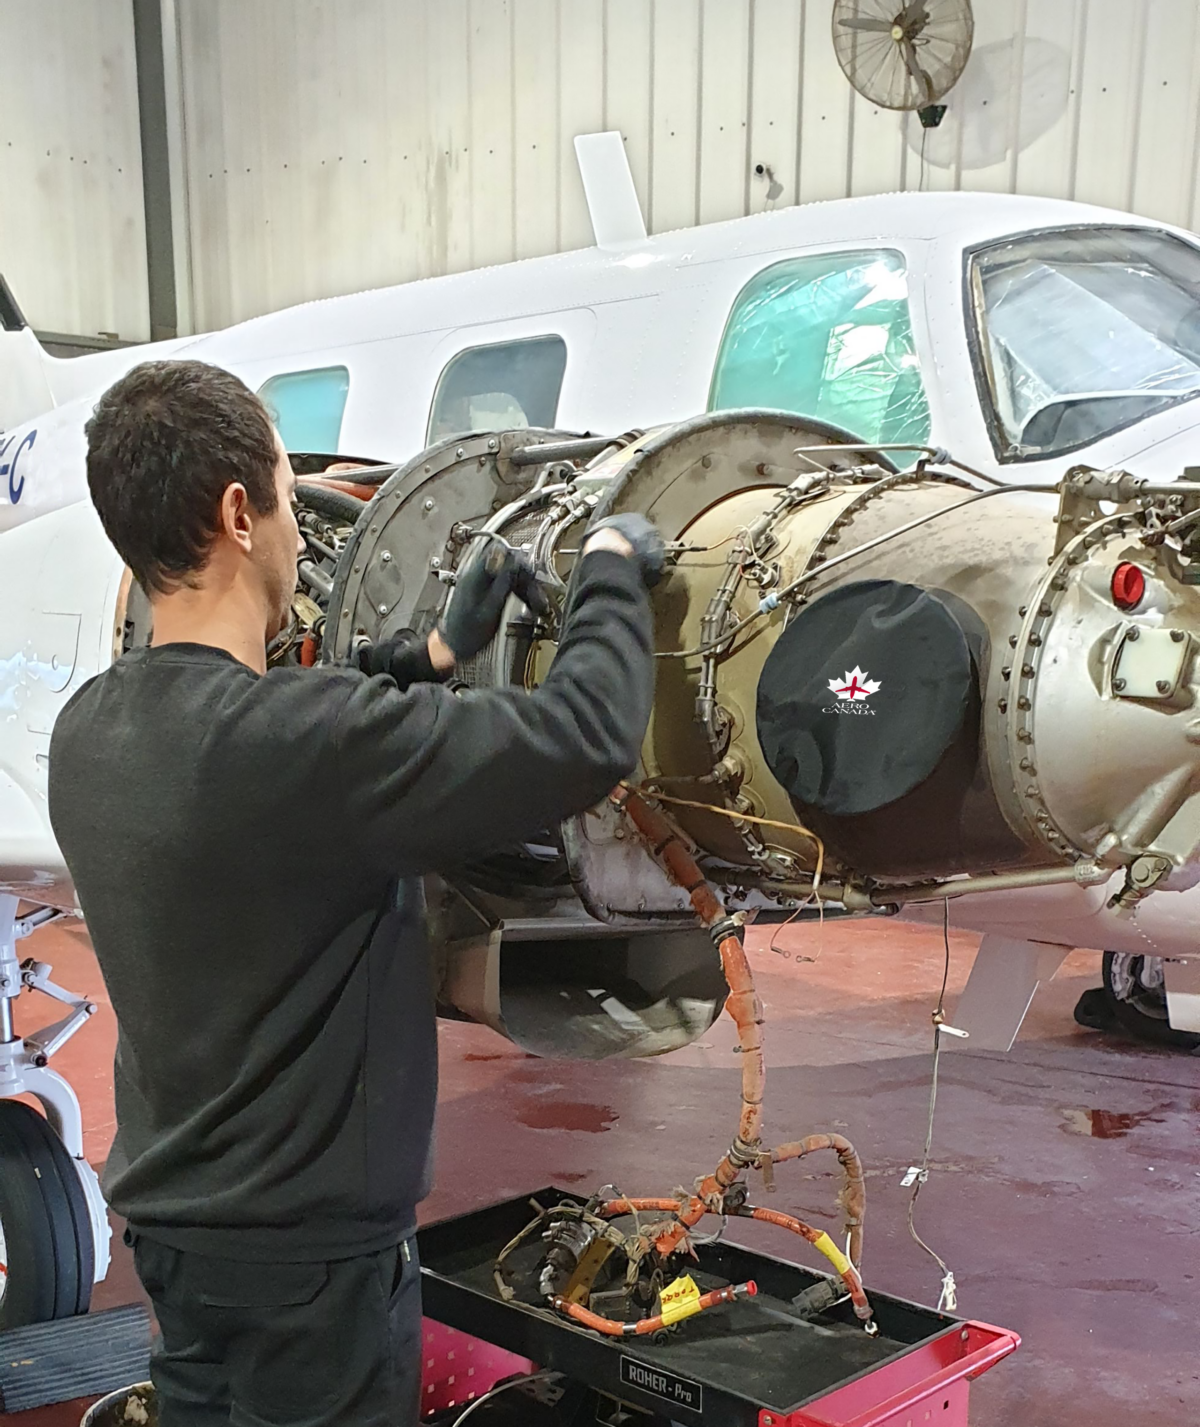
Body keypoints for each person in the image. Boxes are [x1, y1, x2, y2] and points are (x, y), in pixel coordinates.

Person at [48, 360, 662, 1427]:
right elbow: (585, 738)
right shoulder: (308, 747)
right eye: (288, 493)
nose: (296, 527)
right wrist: (611, 567)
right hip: (314, 1272)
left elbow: (270, 736)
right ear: (240, 512)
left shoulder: (92, 733)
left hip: (183, 1235)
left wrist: (428, 654)